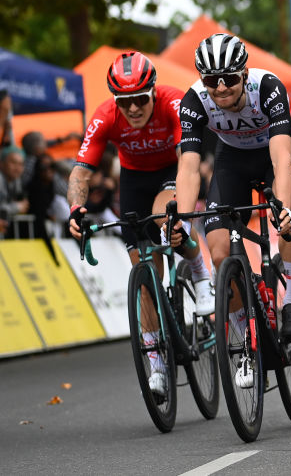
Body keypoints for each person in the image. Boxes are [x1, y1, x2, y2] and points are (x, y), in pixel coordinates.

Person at [66, 51, 215, 397]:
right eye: (124, 102)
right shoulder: (104, 116)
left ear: (153, 92)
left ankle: (197, 266)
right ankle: (156, 362)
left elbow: (187, 159)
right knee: (145, 272)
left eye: (139, 100)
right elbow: (80, 172)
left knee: (166, 220)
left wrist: (180, 199)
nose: (133, 109)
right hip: (133, 178)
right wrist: (76, 208)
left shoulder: (174, 102)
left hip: (172, 171)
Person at [170, 33, 291, 389]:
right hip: (232, 160)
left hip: (274, 154)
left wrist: (280, 204)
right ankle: (243, 342)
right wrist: (183, 221)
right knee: (219, 252)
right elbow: (188, 167)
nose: (220, 88)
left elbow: (281, 155)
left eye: (229, 79)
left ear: (244, 74)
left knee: (290, 199)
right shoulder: (194, 100)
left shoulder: (269, 88)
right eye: (211, 80)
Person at [0, 146, 28, 238]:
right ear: (1, 164)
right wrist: (17, 207)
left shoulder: (15, 182)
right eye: (13, 163)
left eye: (21, 164)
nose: (18, 168)